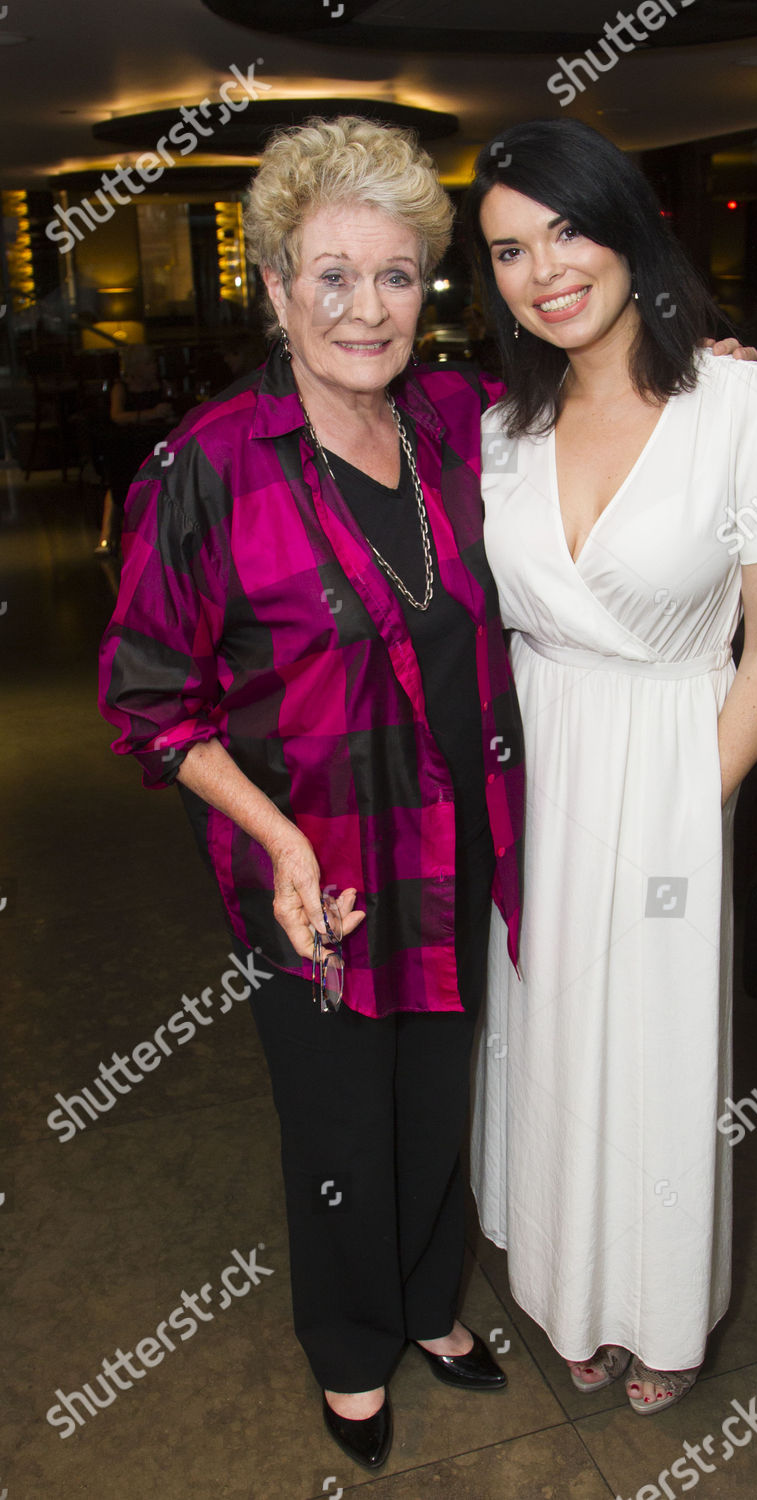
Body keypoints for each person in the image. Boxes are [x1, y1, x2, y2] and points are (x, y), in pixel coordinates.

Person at [98, 116, 526, 1474]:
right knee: (343, 1114)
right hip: (312, 869)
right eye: (329, 275)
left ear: (426, 294)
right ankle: (351, 1352)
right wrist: (274, 833)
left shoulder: (453, 423)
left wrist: (711, 370)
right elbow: (150, 701)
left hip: (452, 845)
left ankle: (422, 1305)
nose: (365, 308)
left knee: (435, 1090)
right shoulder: (207, 467)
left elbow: (600, 394)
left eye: (396, 276)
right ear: (275, 288)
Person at [464, 119, 757, 1414]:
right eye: (508, 248)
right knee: (554, 1041)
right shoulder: (503, 427)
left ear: (627, 226)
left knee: (659, 1047)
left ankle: (658, 1307)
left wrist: (687, 807)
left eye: (566, 228)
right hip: (541, 775)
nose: (544, 269)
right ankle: (573, 1287)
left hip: (675, 760)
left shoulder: (750, 406)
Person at [94, 344, 175, 557]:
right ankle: (108, 532)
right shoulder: (121, 388)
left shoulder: (162, 385)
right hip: (127, 442)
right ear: (136, 366)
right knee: (120, 477)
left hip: (155, 441)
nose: (154, 367)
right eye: (148, 363)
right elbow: (117, 416)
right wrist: (150, 414)